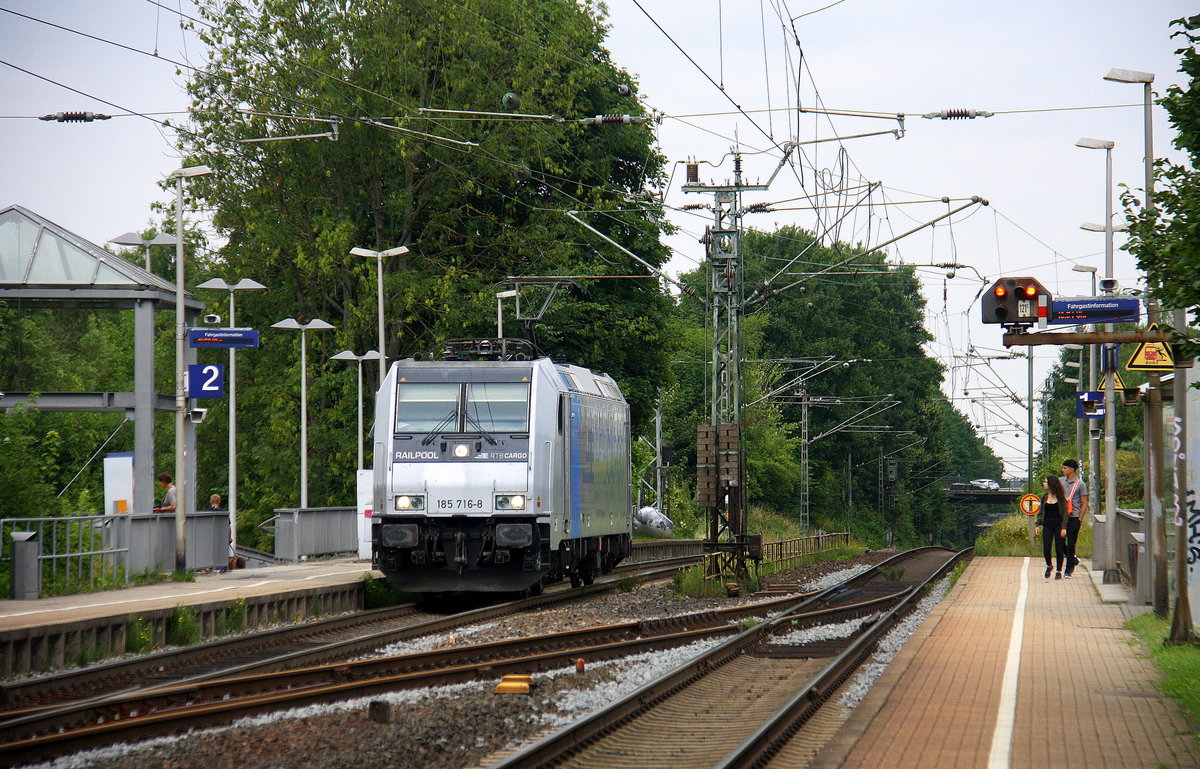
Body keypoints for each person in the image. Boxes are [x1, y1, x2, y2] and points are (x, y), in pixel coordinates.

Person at [1035, 475, 1068, 580]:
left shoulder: (1061, 498)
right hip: (1047, 525)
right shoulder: (1044, 497)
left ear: (1051, 484)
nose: (1043, 484)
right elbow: (1041, 512)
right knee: (1046, 547)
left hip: (1059, 525)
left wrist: (1064, 527)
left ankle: (1059, 571)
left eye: (1045, 482)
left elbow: (1065, 514)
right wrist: (1037, 525)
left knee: (1059, 549)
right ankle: (1049, 565)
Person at [1060, 459, 1088, 578]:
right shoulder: (1060, 481)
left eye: (1065, 468)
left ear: (1071, 470)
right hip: (1062, 517)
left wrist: (1080, 518)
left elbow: (1084, 502)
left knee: (1071, 543)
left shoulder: (1080, 484)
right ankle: (1073, 559)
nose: (1063, 470)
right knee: (1060, 542)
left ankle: (1068, 570)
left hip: (1074, 516)